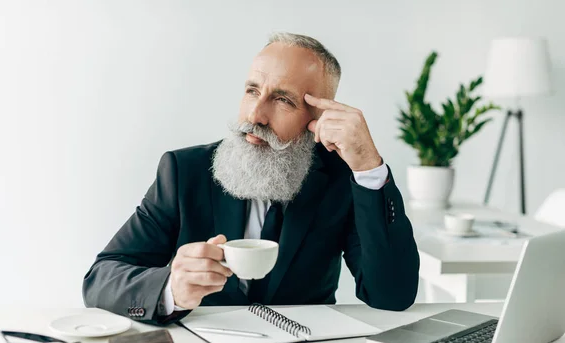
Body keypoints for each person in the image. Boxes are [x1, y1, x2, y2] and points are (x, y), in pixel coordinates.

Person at [82, 32, 420, 325]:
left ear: (318, 119)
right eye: (251, 91)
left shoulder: (342, 180)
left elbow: (392, 295)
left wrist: (368, 167)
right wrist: (171, 289)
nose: (255, 115)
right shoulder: (184, 172)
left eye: (283, 100)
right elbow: (101, 279)